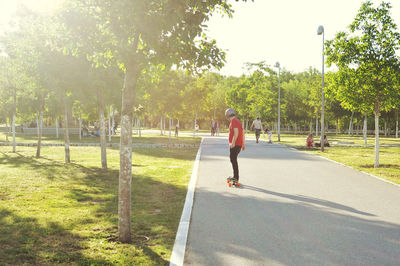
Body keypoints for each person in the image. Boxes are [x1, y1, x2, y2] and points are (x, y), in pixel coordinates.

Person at [226, 108, 245, 185]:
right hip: (238, 144)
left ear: (227, 115)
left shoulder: (233, 121)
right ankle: (235, 177)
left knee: (233, 160)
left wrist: (233, 143)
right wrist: (243, 144)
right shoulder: (237, 121)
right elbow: (242, 133)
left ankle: (236, 177)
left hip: (235, 144)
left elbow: (236, 132)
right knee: (233, 159)